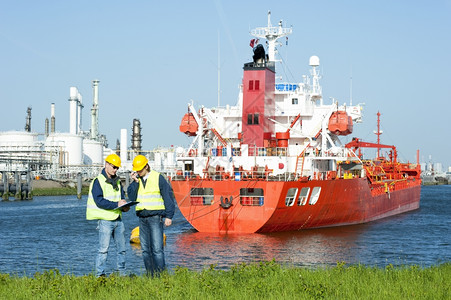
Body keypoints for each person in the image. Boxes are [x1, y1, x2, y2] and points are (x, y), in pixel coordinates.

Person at [127, 155, 175, 276]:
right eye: (136, 170)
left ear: (146, 166)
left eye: (140, 170)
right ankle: (150, 275)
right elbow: (132, 197)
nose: (138, 172)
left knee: (157, 250)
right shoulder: (137, 180)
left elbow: (167, 197)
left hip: (155, 217)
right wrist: (135, 182)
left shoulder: (158, 177)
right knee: (145, 251)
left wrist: (169, 216)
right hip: (142, 218)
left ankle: (161, 276)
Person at [86, 153, 130, 277]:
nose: (115, 169)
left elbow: (121, 198)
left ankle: (122, 274)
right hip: (105, 220)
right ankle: (100, 275)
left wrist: (124, 206)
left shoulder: (118, 182)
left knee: (122, 249)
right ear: (106, 164)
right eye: (113, 166)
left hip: (118, 219)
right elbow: (99, 201)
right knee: (103, 250)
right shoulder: (98, 181)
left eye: (117, 168)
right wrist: (117, 204)